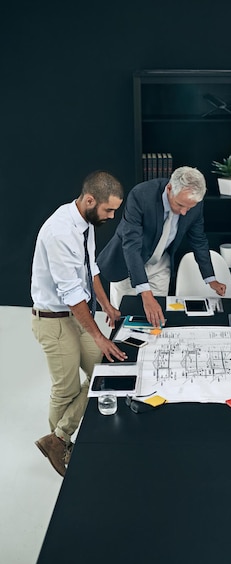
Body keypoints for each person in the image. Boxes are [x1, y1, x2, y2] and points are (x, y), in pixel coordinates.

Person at [31, 171, 127, 477]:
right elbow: (72, 294)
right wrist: (99, 335)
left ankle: (57, 437)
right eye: (108, 210)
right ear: (89, 200)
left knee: (105, 366)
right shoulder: (60, 232)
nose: (111, 216)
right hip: (55, 321)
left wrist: (108, 304)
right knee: (66, 389)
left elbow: (92, 268)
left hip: (74, 315)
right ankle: (60, 444)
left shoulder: (85, 223)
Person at [97, 166, 226, 328]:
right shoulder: (141, 195)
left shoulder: (193, 204)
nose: (185, 212)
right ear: (170, 188)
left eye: (189, 207)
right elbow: (131, 245)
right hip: (128, 263)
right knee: (124, 320)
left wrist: (210, 279)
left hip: (160, 263)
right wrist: (145, 293)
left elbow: (199, 240)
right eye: (180, 205)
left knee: (156, 319)